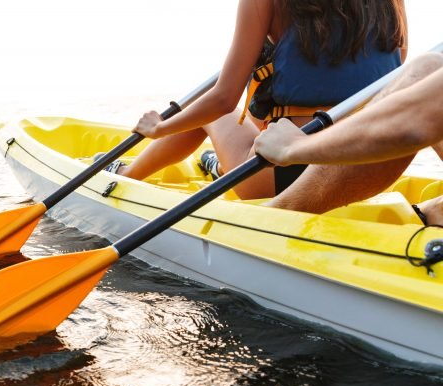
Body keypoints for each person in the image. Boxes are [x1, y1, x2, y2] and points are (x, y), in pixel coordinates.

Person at [104, 0, 407, 200]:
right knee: (257, 118)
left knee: (213, 115)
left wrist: (158, 128)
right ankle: (223, 167)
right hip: (366, 162)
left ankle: (126, 176)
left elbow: (222, 100)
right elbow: (395, 72)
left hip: (286, 172)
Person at [255, 51, 443, 226]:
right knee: (428, 67)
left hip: (284, 166)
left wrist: (293, 146)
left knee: (425, 72)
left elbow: (415, 121)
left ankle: (280, 213)